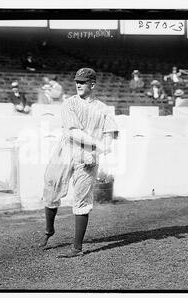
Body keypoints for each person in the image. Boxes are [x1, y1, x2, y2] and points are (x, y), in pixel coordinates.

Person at [40, 67, 119, 258]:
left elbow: (109, 136)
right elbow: (73, 132)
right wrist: (98, 144)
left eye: (83, 82)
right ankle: (49, 230)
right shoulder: (70, 103)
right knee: (52, 188)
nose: (78, 84)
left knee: (82, 198)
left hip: (88, 156)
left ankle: (77, 247)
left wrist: (101, 149)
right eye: (77, 81)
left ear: (92, 84)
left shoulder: (103, 109)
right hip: (66, 150)